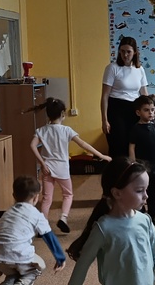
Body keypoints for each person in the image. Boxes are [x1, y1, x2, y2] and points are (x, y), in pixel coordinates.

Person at [29, 97, 110, 235]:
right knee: (68, 194)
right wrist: (101, 155)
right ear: (62, 114)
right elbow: (84, 144)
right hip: (62, 169)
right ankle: (63, 217)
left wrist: (42, 163)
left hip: (47, 168)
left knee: (47, 198)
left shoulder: (41, 130)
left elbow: (32, 146)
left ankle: (42, 227)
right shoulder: (67, 130)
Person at [0, 175, 67, 285]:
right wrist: (60, 258)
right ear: (36, 197)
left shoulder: (7, 213)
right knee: (36, 267)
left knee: (14, 270)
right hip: (18, 254)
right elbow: (49, 237)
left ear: (14, 195)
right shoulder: (36, 215)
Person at [100, 35, 148, 161]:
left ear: (135, 52)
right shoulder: (112, 68)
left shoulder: (139, 69)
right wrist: (104, 120)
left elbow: (144, 94)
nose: (125, 55)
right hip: (116, 109)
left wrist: (151, 111)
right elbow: (105, 96)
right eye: (122, 51)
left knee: (135, 144)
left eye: (128, 52)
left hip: (134, 109)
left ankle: (135, 171)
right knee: (119, 145)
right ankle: (117, 171)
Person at [128, 95, 155, 225]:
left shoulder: (154, 126)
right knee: (142, 191)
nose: (150, 113)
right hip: (143, 165)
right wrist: (133, 163)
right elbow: (132, 146)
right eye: (146, 110)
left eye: (152, 110)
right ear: (138, 112)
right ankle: (141, 216)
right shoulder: (136, 128)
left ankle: (154, 216)